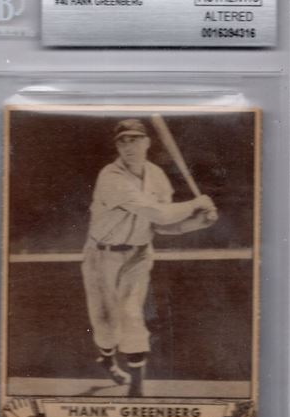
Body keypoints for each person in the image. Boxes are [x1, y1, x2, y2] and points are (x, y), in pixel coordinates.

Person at [81, 119, 218, 397]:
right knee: (105, 327)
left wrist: (197, 223)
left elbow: (161, 227)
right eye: (122, 141)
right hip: (101, 256)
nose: (128, 146)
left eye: (134, 139)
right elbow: (159, 214)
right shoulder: (111, 176)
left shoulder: (157, 176)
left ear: (147, 142)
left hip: (138, 254)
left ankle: (137, 389)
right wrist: (196, 204)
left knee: (131, 315)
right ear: (117, 146)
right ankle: (106, 358)